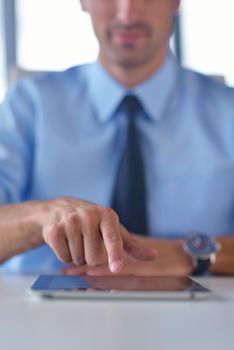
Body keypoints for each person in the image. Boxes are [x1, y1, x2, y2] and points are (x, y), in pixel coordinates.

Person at [0, 0, 234, 276]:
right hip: (38, 312)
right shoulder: (27, 106)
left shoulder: (228, 113)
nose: (127, 13)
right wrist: (39, 217)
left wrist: (188, 255)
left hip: (204, 315)